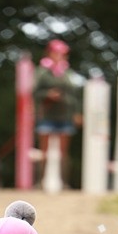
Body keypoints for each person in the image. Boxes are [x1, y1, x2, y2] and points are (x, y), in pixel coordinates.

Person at [32, 39, 83, 188]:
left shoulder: (67, 72)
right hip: (47, 115)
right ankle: (40, 183)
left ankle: (64, 183)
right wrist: (47, 94)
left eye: (63, 54)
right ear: (49, 53)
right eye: (58, 53)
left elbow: (74, 95)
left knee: (64, 154)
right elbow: (34, 92)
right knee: (44, 152)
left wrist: (77, 112)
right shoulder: (41, 71)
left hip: (65, 115)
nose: (61, 56)